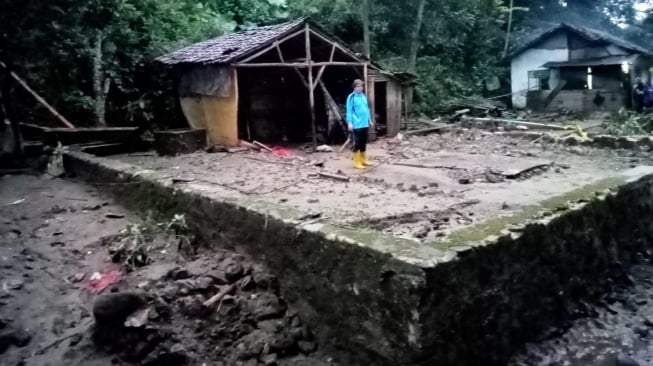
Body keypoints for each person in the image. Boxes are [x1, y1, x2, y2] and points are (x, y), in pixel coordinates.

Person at [346, 79, 373, 169]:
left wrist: (370, 120)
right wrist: (350, 123)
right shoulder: (351, 97)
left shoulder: (363, 96)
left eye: (361, 86)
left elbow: (367, 109)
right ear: (354, 87)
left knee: (363, 143)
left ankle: (363, 160)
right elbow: (349, 111)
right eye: (358, 86)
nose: (360, 88)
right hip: (356, 124)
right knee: (356, 143)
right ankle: (357, 162)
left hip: (364, 123)